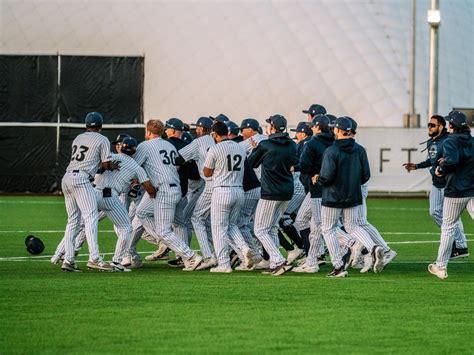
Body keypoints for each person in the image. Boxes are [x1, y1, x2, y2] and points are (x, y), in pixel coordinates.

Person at [133, 119, 203, 271]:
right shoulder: (169, 145)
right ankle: (181, 255)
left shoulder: (144, 145)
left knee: (164, 231)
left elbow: (134, 167)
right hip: (177, 188)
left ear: (148, 131)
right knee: (143, 212)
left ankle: (190, 256)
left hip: (163, 190)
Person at [318, 117, 384, 277]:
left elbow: (327, 176)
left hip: (333, 197)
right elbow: (365, 175)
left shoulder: (332, 150)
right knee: (353, 226)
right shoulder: (360, 149)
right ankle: (374, 247)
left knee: (327, 229)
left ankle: (338, 266)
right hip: (353, 195)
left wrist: (318, 179)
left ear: (338, 130)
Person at [60, 112, 119, 272]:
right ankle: (94, 258)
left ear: (86, 124)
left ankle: (69, 260)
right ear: (100, 125)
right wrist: (113, 165)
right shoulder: (102, 139)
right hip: (81, 179)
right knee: (91, 217)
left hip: (67, 177)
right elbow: (106, 165)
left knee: (72, 220)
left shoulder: (78, 138)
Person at [403, 115, 468, 258]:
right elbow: (432, 160)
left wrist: (442, 167)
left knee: (451, 217)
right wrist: (417, 166)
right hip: (436, 183)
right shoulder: (432, 141)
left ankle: (460, 246)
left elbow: (452, 160)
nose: (430, 127)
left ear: (441, 127)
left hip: (448, 184)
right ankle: (455, 242)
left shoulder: (447, 141)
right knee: (435, 213)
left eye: (433, 125)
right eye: (429, 125)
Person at [248, 114, 298, 276]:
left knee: (260, 230)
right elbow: (294, 163)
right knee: (272, 227)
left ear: (273, 128)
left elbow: (251, 164)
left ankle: (278, 260)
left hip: (271, 192)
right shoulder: (291, 145)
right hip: (287, 191)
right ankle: (273, 262)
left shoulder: (265, 145)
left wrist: (256, 149)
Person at [203, 121, 256, 272]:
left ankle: (224, 264)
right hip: (238, 190)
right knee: (231, 225)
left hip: (222, 190)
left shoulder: (214, 148)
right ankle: (245, 248)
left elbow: (206, 173)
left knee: (218, 229)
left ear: (215, 134)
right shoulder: (239, 147)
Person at [428, 110, 474, 279]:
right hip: (472, 188)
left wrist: (441, 168)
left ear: (451, 125)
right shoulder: (471, 140)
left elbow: (452, 160)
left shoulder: (450, 140)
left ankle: (440, 267)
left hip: (456, 191)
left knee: (448, 227)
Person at [293, 114, 335, 273]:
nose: (311, 127)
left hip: (317, 188)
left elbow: (303, 165)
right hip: (327, 187)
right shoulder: (334, 142)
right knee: (302, 220)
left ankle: (355, 245)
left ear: (317, 127)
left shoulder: (313, 143)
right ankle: (312, 258)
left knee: (320, 226)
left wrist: (310, 175)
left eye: (313, 125)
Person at [175, 117, 216, 269]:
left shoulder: (199, 142)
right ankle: (231, 252)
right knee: (219, 223)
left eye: (197, 127)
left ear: (202, 128)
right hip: (226, 183)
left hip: (211, 184)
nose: (195, 130)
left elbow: (178, 158)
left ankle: (208, 256)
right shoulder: (215, 140)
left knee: (197, 218)